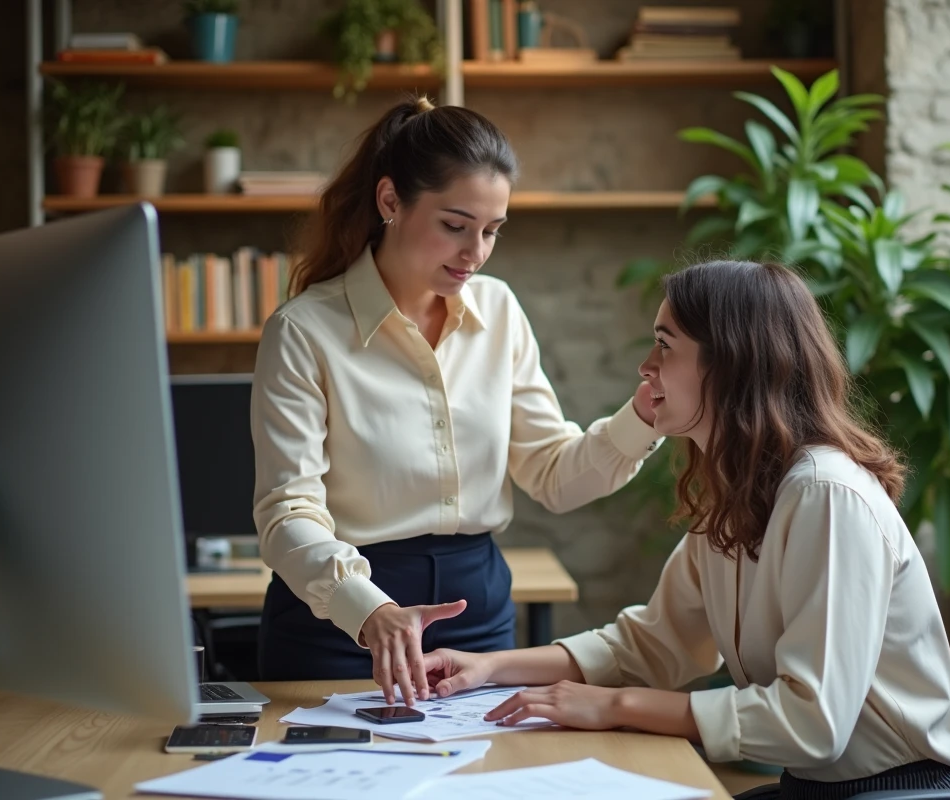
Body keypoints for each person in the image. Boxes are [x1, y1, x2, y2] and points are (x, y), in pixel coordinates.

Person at [421, 260, 950, 798]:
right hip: (815, 790)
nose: (646, 367)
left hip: (900, 794)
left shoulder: (825, 494)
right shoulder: (740, 492)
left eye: (665, 346)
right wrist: (491, 667)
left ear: (731, 365)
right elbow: (652, 644)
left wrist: (616, 706)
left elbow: (813, 722)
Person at [250, 95, 661, 702]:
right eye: (455, 226)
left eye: (492, 231)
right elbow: (288, 512)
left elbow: (552, 473)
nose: (476, 253)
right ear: (390, 201)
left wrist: (643, 418)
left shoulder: (499, 310)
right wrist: (367, 609)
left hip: (479, 621)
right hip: (340, 623)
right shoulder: (303, 331)